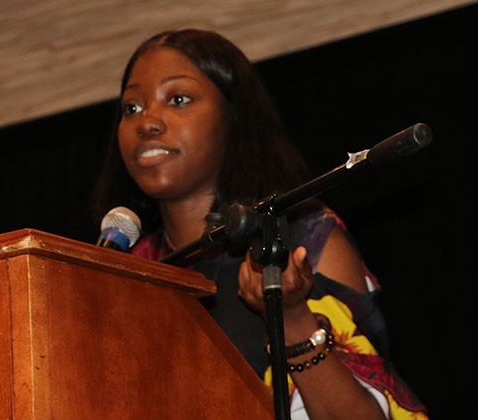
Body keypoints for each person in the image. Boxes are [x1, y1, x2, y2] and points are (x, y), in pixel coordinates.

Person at [94, 28, 427, 419]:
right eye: (131, 108)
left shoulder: (299, 240)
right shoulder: (122, 272)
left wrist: (292, 316)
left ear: (233, 117)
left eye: (178, 99)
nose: (147, 122)